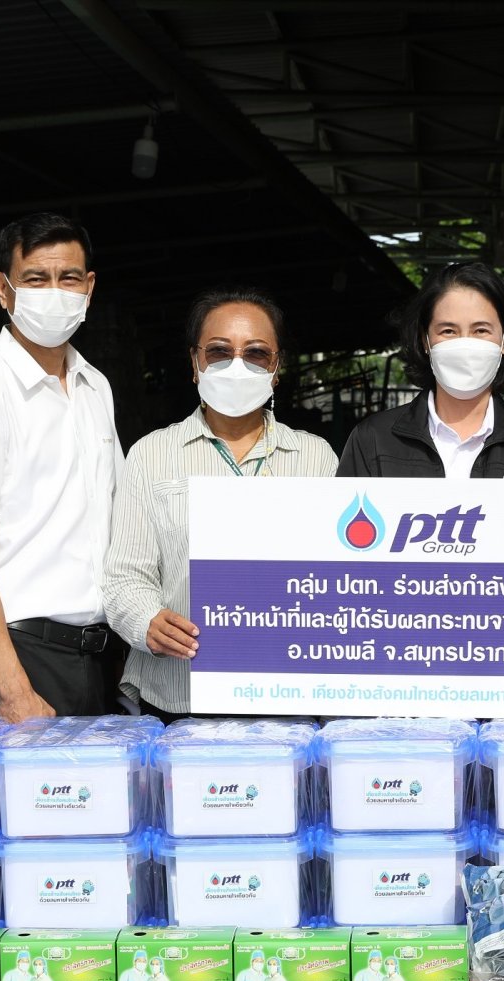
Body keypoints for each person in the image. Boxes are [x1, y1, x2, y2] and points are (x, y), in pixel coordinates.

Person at [104, 289, 335, 721]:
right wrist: (147, 621)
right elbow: (125, 575)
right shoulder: (151, 455)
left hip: (284, 694)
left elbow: (335, 578)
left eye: (256, 353)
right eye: (219, 352)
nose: (237, 366)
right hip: (179, 696)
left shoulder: (316, 458)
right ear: (195, 364)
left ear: (277, 369)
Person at [0, 213, 121, 722]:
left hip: (94, 656)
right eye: (36, 279)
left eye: (69, 278)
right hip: (16, 660)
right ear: (4, 289)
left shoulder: (95, 387)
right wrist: (14, 689)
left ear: (89, 288)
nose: (54, 292)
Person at [337, 262, 504, 478]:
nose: (465, 345)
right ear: (425, 340)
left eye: (481, 330)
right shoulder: (372, 440)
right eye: (448, 331)